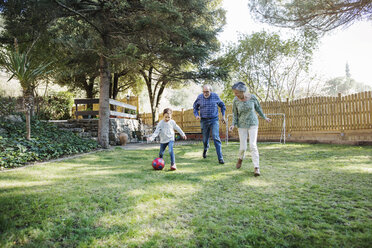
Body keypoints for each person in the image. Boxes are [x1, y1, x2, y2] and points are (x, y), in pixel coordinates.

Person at [228, 82, 271, 176]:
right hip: (241, 124)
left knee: (253, 145)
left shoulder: (253, 98)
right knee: (243, 147)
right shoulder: (235, 100)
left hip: (253, 123)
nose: (235, 95)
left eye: (237, 93)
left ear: (242, 91)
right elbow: (235, 114)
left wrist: (265, 117)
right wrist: (233, 124)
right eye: (234, 93)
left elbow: (258, 109)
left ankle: (256, 167)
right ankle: (240, 158)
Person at [193, 84, 226, 164]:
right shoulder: (200, 97)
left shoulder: (215, 96)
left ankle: (220, 158)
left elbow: (222, 105)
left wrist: (223, 116)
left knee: (216, 137)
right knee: (205, 139)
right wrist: (196, 115)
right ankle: (205, 149)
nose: (205, 93)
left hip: (214, 120)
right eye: (204, 92)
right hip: (204, 120)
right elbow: (195, 107)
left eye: (207, 92)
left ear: (210, 91)